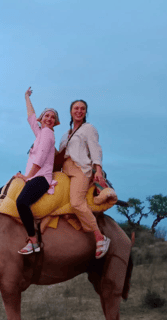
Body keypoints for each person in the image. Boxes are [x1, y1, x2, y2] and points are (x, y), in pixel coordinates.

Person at [0, 87, 59, 255]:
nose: (49, 119)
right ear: (42, 119)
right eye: (47, 115)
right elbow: (31, 117)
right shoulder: (40, 133)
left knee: (21, 202)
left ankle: (33, 241)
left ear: (55, 123)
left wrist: (27, 177)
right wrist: (26, 96)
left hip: (40, 179)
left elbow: (40, 159)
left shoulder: (48, 134)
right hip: (31, 177)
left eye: (53, 117)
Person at [58, 99, 110, 259]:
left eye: (82, 108)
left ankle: (100, 236)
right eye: (76, 108)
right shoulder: (66, 134)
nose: (79, 111)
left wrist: (98, 169)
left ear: (85, 112)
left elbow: (95, 148)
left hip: (80, 169)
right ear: (70, 111)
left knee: (76, 203)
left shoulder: (88, 129)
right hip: (64, 170)